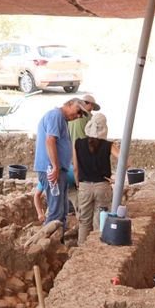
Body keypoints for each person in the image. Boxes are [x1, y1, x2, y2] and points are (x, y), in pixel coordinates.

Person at [32, 97, 89, 232]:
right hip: (51, 169)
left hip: (58, 170)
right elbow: (50, 141)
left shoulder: (62, 119)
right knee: (56, 211)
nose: (78, 116)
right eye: (77, 111)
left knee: (62, 210)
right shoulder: (56, 115)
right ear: (69, 104)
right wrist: (55, 166)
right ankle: (48, 244)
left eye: (81, 114)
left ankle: (59, 242)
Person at [74, 111, 117, 246]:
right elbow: (125, 162)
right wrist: (115, 178)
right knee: (101, 220)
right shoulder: (108, 145)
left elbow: (75, 168)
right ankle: (98, 248)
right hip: (102, 187)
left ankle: (81, 250)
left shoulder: (78, 143)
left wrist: (78, 184)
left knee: (84, 221)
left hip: (84, 187)